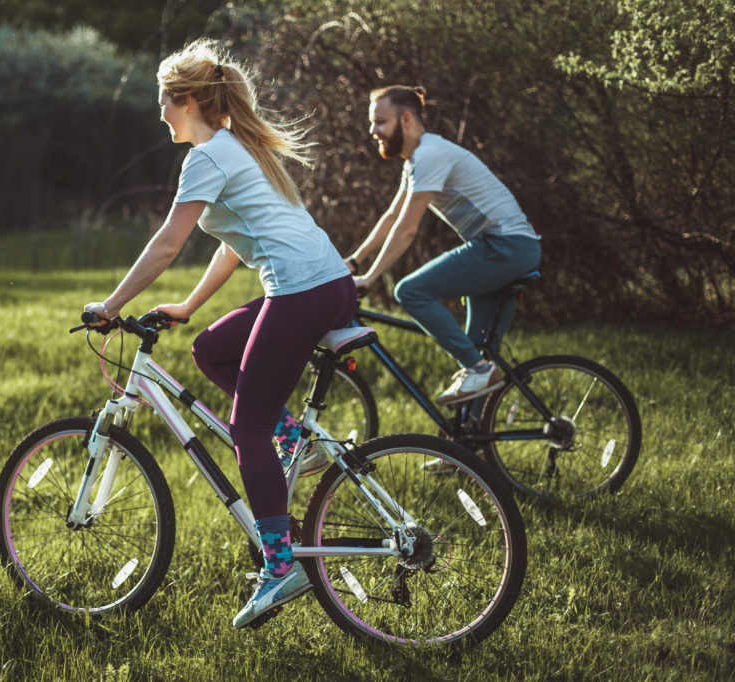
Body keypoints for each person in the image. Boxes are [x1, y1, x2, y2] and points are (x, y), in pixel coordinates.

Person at [82, 38, 356, 629]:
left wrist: (110, 305)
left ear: (185, 100)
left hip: (301, 291)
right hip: (328, 285)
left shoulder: (208, 156)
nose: (158, 113)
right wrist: (188, 305)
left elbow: (167, 244)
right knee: (210, 349)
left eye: (163, 101)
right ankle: (295, 440)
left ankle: (280, 568)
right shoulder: (238, 146)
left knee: (245, 429)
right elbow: (233, 241)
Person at [346, 85, 542, 406]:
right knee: (477, 356)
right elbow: (393, 215)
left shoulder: (429, 155)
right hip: (504, 248)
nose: (373, 131)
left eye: (380, 121)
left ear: (406, 119)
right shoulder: (417, 160)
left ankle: (478, 368)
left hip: (505, 246)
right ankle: (469, 448)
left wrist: (371, 278)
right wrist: (355, 261)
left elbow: (407, 229)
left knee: (409, 291)